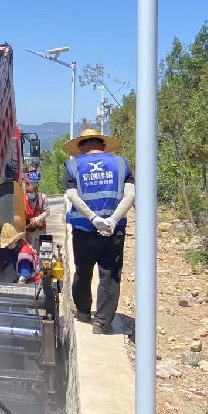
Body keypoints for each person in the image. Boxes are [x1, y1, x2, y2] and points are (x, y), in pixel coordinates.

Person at [62, 128, 135, 334]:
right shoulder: (121, 163)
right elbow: (130, 195)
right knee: (110, 275)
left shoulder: (73, 165)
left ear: (81, 147)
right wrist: (112, 220)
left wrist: (94, 219)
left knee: (83, 271)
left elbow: (72, 196)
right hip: (114, 230)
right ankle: (102, 322)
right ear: (103, 145)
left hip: (84, 230)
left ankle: (83, 312)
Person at [23, 172, 49, 249]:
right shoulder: (23, 199)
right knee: (30, 249)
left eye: (31, 192)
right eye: (27, 192)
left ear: (36, 191)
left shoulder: (42, 197)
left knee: (43, 250)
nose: (29, 194)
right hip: (29, 231)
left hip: (41, 229)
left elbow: (47, 211)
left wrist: (38, 219)